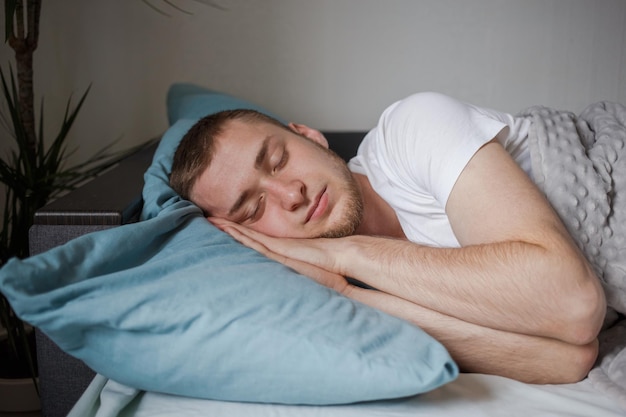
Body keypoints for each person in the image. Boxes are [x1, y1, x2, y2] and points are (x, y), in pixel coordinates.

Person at [170, 92, 606, 384]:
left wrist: (347, 253)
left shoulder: (412, 127)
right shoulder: (345, 295)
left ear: (307, 135)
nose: (291, 194)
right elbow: (569, 359)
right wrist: (344, 291)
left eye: (280, 159)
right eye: (254, 208)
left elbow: (574, 303)